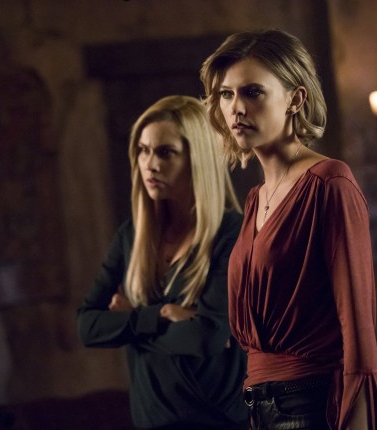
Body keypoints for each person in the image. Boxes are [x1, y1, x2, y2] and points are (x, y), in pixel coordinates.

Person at [200, 29, 377, 430]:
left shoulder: (329, 183)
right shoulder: (255, 199)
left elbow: (358, 321)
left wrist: (358, 417)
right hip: (258, 406)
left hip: (310, 403)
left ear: (295, 99)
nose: (236, 108)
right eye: (226, 94)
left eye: (253, 92)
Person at [77, 95, 248, 430]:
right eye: (143, 150)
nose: (150, 164)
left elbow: (207, 337)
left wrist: (129, 322)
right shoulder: (131, 236)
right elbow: (88, 327)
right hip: (153, 421)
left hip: (218, 422)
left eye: (165, 152)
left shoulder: (232, 234)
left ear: (197, 158)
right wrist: (161, 315)